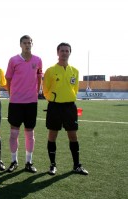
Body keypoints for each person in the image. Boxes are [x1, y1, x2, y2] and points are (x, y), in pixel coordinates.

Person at [42, 42, 88, 175]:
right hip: (55, 107)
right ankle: (52, 165)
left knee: (73, 135)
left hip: (70, 107)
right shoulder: (50, 70)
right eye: (62, 51)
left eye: (67, 51)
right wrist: (55, 99)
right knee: (52, 135)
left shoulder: (75, 71)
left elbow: (75, 89)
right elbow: (45, 90)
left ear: (70, 53)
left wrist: (68, 97)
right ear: (57, 53)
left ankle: (76, 165)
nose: (64, 53)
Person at [5, 35, 42, 173]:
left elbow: (39, 78)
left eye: (29, 43)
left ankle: (28, 162)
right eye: (25, 43)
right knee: (14, 133)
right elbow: (8, 79)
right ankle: (14, 161)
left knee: (29, 133)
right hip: (16, 102)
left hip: (31, 102)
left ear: (32, 44)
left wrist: (35, 93)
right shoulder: (13, 60)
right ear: (20, 44)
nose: (27, 45)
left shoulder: (38, 60)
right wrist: (12, 94)